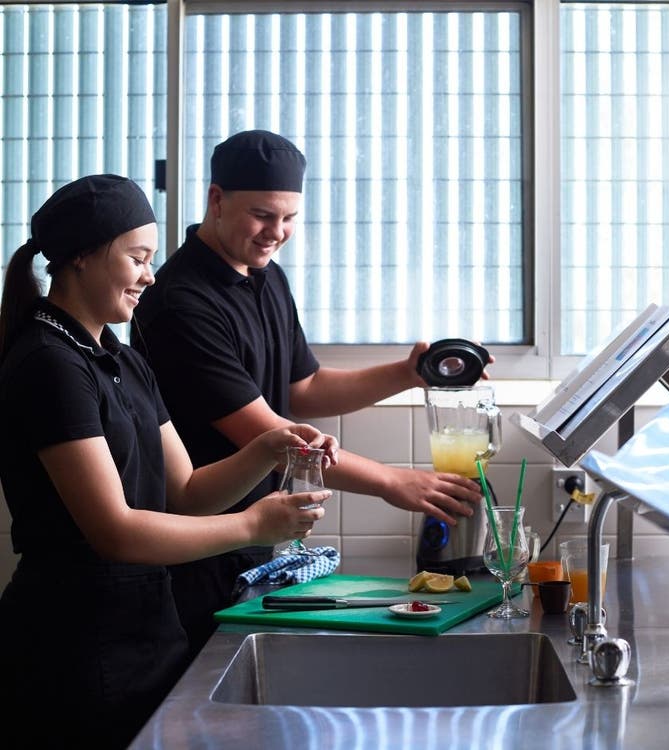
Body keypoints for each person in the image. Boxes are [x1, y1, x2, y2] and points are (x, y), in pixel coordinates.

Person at [0, 174, 337, 749]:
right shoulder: (49, 364)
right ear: (81, 256)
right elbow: (116, 532)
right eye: (137, 258)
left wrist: (267, 448)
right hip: (70, 646)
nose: (151, 276)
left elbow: (185, 490)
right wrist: (254, 526)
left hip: (148, 632)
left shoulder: (120, 358)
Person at [132, 129, 491, 659]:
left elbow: (305, 388)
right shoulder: (181, 303)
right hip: (196, 549)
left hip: (251, 545)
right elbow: (269, 435)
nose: (275, 232)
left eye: (289, 218)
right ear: (216, 200)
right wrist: (392, 481)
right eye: (262, 215)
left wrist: (411, 372)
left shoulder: (266, 277)